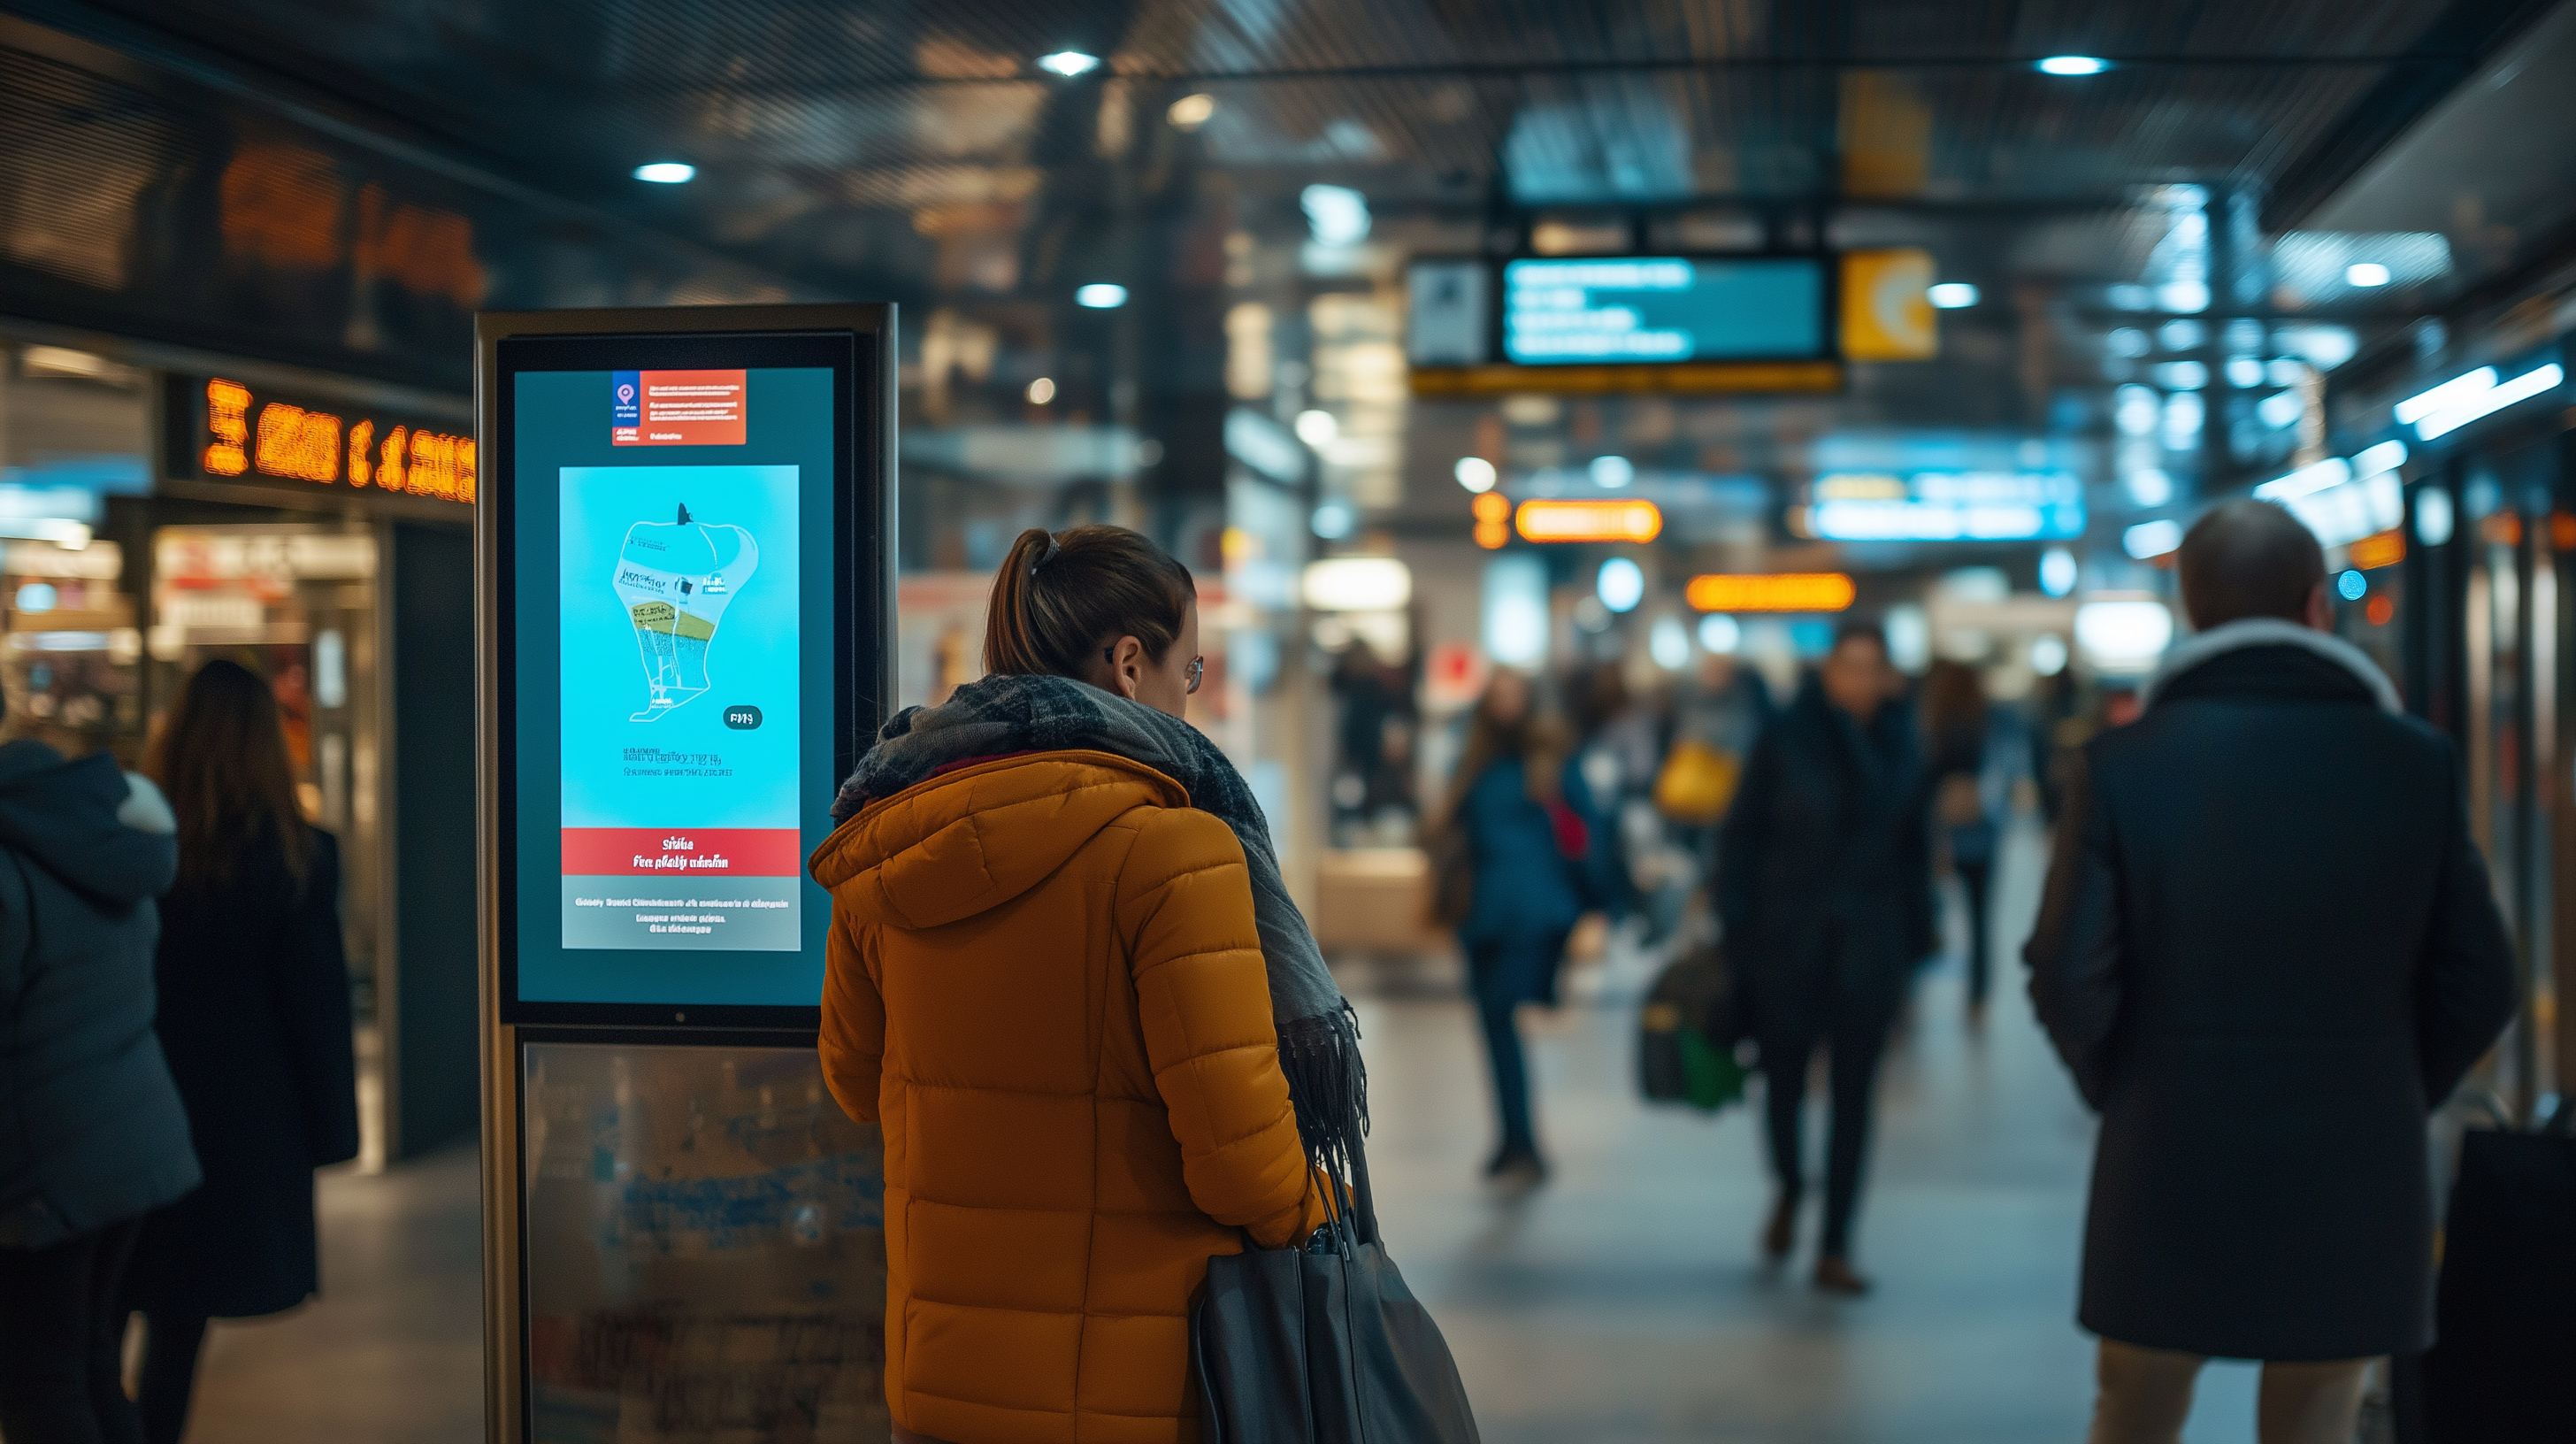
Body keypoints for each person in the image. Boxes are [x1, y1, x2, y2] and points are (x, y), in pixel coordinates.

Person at [816, 525, 1348, 1444]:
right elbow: (1237, 1162)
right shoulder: (1176, 853)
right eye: (1191, 670)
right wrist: (1321, 1210)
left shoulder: (886, 842)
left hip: (941, 1385)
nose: (1193, 697)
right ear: (1130, 663)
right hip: (1129, 1395)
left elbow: (853, 1086)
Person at [2025, 499, 2518, 1444]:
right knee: (2316, 1418)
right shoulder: (2415, 763)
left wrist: (2123, 1085)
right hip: (2351, 1163)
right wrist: (2389, 1086)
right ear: (2314, 607)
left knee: (2135, 1408)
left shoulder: (2121, 766)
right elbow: (2481, 979)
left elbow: (2064, 973)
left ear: (2189, 606)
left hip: (2165, 1154)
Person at [122, 660, 360, 1444]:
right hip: (237, 1126)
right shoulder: (296, 858)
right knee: (178, 1327)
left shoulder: (130, 852)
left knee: (94, 1321)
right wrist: (330, 1137)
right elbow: (315, 1009)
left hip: (127, 1104)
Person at [0, 681, 198, 1444]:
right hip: (129, 1146)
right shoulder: (115, 859)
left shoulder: (13, 877)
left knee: (38, 1385)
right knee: (87, 1364)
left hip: (49, 1166)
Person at [1717, 620, 1932, 1294]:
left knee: (1855, 1095)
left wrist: (1917, 947)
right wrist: (1739, 931)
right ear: (1830, 673)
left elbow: (1915, 853)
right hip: (1789, 941)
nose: (1862, 683)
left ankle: (1836, 1243)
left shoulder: (1901, 745)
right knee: (1782, 1082)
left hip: (1869, 944)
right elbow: (1741, 839)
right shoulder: (1786, 738)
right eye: (1851, 668)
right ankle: (1789, 1185)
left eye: (1874, 669)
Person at [1430, 670, 1612, 1185]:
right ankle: (1514, 1139)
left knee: (1501, 1016)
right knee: (1493, 1023)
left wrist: (1587, 900)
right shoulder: (1472, 762)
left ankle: (1521, 1141)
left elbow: (1586, 835)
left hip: (1531, 911)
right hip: (1481, 912)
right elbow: (1450, 827)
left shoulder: (1551, 764)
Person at [1920, 660, 2014, 1022]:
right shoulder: (1988, 722)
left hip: (1943, 836)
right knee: (1980, 920)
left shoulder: (1933, 726)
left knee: (1930, 911)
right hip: (1984, 835)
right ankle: (1978, 995)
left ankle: (1910, 995)